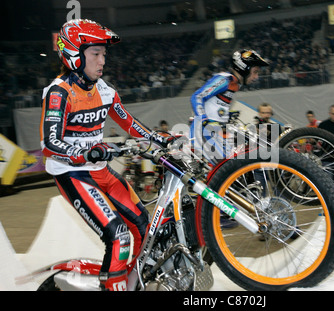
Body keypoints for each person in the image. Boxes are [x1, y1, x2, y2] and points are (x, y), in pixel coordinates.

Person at [40, 19, 170, 290]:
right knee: (118, 236)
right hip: (72, 173)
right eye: (95, 54)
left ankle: (131, 284)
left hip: (100, 170)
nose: (102, 61)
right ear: (75, 54)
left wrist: (161, 139)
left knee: (145, 228)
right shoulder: (58, 92)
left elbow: (129, 123)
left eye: (104, 54)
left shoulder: (105, 90)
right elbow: (50, 144)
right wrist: (85, 151)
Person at [190, 49, 269, 165]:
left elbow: (216, 105)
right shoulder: (224, 80)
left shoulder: (235, 84)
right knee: (225, 169)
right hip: (203, 131)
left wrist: (228, 115)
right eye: (255, 72)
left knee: (235, 166)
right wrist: (204, 120)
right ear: (244, 68)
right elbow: (197, 97)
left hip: (215, 132)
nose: (256, 77)